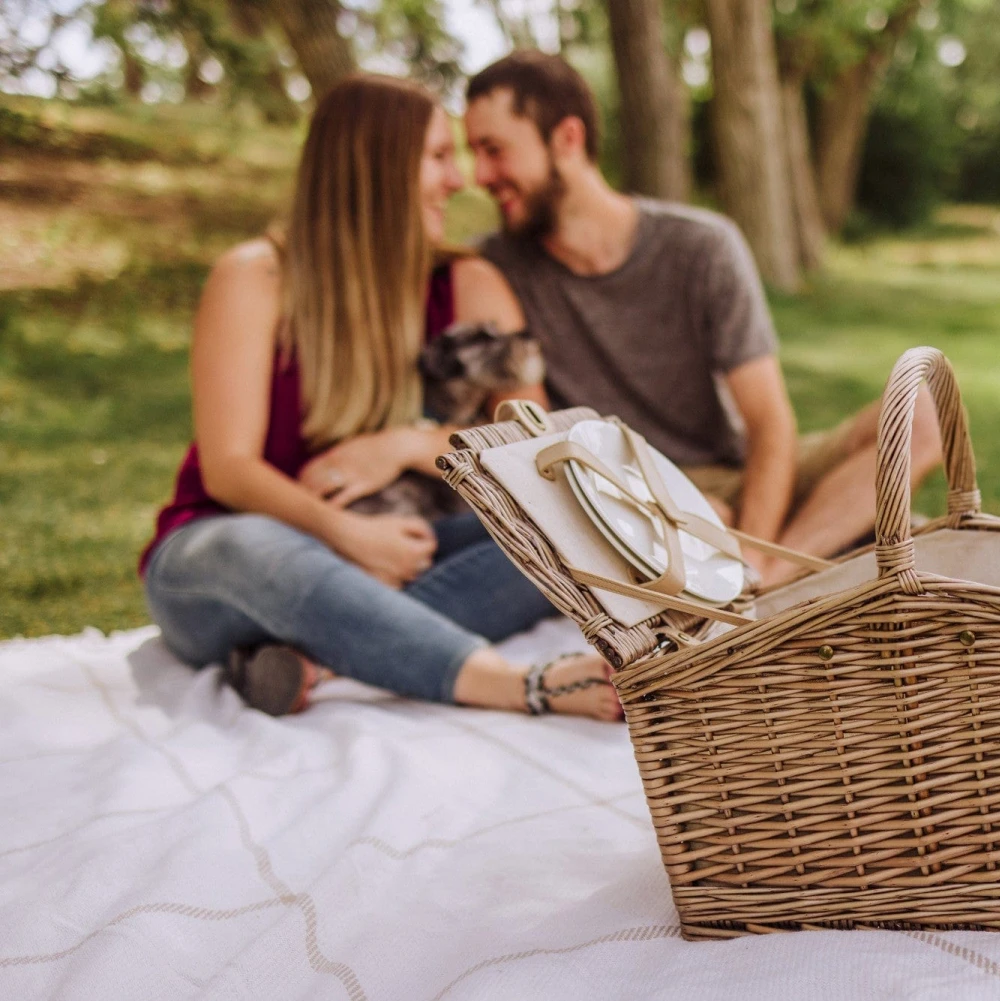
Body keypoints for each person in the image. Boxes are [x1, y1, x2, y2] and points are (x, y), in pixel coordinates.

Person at [140, 74, 618, 721]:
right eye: (438, 157)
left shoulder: (465, 283)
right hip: (233, 565)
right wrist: (345, 534)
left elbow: (537, 454)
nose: (459, 180)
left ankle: (322, 657)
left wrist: (407, 445)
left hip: (404, 548)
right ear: (374, 165)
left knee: (570, 519)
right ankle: (511, 682)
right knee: (244, 545)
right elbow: (228, 469)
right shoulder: (257, 275)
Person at [463, 52, 942, 587]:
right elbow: (531, 447)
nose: (480, 175)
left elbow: (768, 423)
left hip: (734, 480)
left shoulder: (701, 247)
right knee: (717, 520)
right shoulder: (494, 270)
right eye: (472, 153)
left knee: (922, 414)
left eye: (494, 150)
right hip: (627, 503)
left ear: (567, 139)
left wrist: (752, 548)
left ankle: (768, 575)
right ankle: (774, 560)